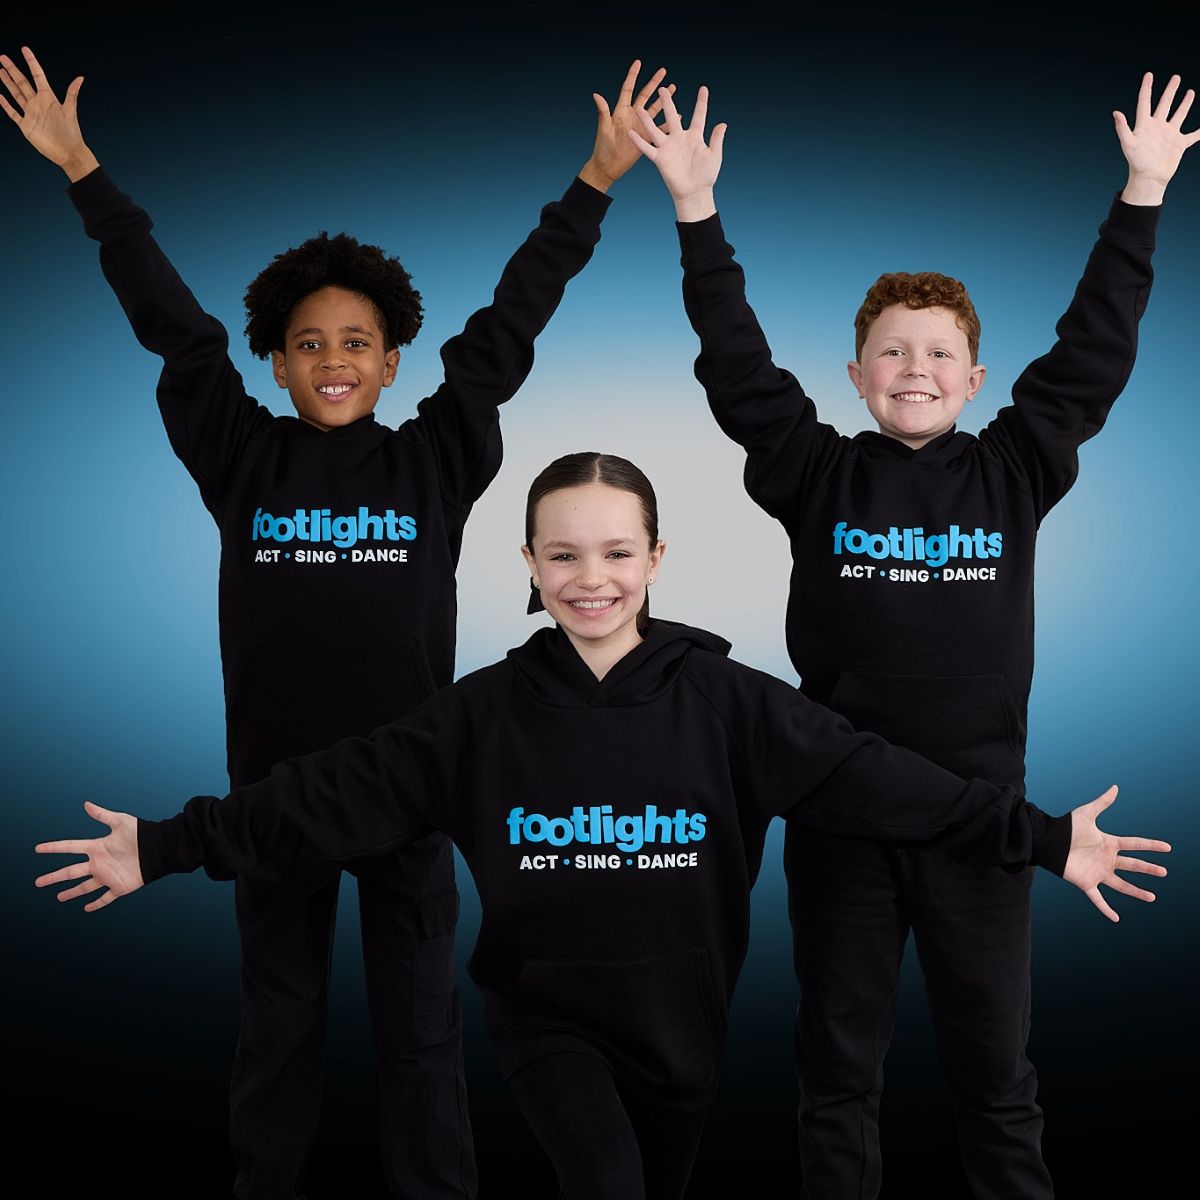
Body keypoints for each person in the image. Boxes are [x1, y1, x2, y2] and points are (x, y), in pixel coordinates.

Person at [36, 451, 1169, 1200]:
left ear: (656, 560)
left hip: (686, 1034)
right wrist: (168, 844)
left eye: (617, 553)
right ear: (528, 567)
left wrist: (1046, 835)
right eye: (564, 555)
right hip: (549, 1026)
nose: (593, 578)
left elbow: (886, 781)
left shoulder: (734, 704)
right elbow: (324, 792)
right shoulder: (475, 717)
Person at [1, 46, 677, 1200]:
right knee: (279, 1030)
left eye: (355, 343)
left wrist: (596, 182)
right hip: (273, 798)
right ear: (275, 360)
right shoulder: (240, 453)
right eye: (308, 343)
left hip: (413, 796)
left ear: (391, 360)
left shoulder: (434, 456)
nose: (331, 360)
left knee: (421, 1042)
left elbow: (505, 334)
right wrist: (82, 174)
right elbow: (177, 332)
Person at [630, 75, 1198, 1199]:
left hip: (982, 828)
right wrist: (696, 211)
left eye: (940, 354)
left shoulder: (1013, 470)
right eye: (892, 352)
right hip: (841, 825)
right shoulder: (817, 471)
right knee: (838, 1073)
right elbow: (739, 375)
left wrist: (1142, 192)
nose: (917, 371)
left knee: (996, 1077)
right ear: (855, 377)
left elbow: (1091, 358)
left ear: (976, 379)